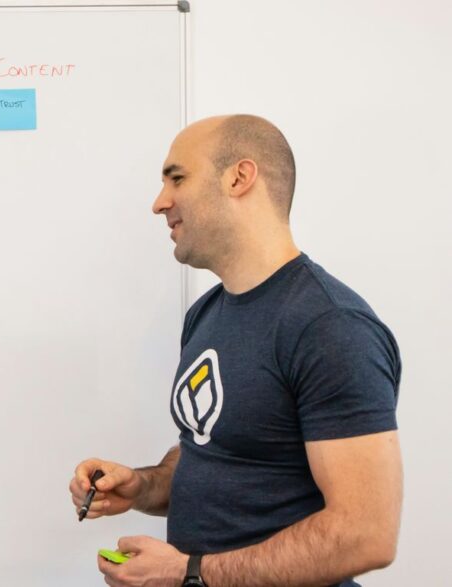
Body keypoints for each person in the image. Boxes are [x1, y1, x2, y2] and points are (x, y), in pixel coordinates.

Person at [69, 115, 402, 587]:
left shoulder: (330, 326)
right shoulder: (206, 314)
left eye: (177, 178)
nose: (159, 202)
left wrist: (189, 572)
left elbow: (365, 535)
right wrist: (142, 486)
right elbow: (212, 449)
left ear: (240, 178)